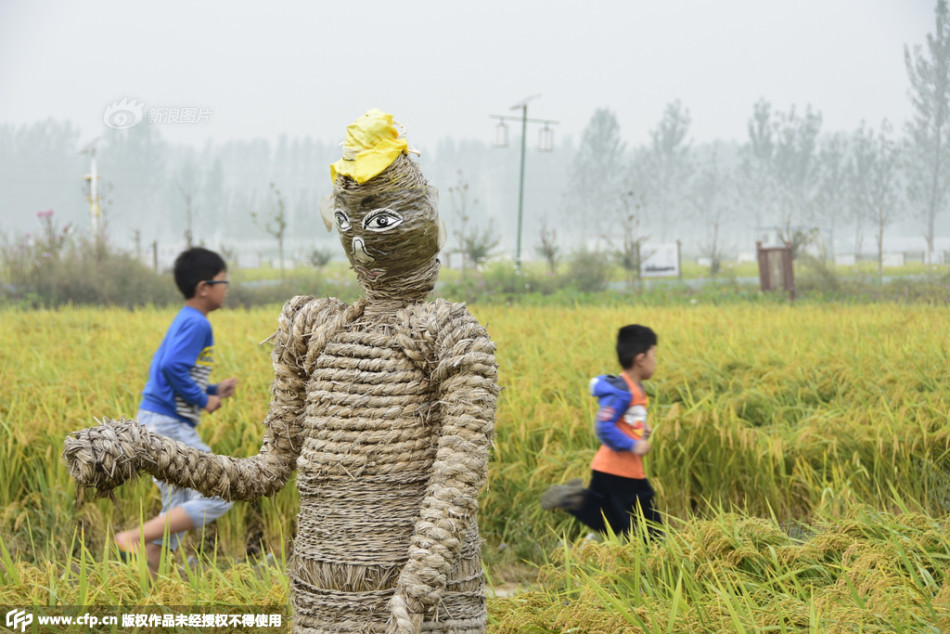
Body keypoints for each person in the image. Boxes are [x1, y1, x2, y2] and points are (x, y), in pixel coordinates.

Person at [114, 247, 238, 571]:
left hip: (155, 420)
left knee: (175, 509)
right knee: (220, 489)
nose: (227, 288)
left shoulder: (186, 318)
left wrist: (213, 390)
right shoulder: (198, 324)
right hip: (167, 424)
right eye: (223, 281)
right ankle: (131, 537)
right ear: (204, 287)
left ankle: (148, 590)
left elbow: (169, 371)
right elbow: (171, 367)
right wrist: (204, 401)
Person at [541, 324, 661, 540]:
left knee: (612, 523)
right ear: (641, 358)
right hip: (620, 471)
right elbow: (604, 426)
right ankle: (577, 500)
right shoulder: (623, 391)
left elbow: (625, 421)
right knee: (650, 532)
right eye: (654, 355)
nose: (656, 361)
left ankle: (577, 500)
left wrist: (640, 433)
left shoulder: (636, 389)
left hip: (615, 469)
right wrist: (633, 444)